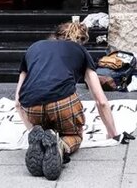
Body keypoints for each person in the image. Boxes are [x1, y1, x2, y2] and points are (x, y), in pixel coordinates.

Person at [15, 21, 121, 180]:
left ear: (55, 35)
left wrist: (31, 130)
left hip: (31, 106)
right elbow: (101, 101)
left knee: (44, 130)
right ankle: (60, 146)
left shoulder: (34, 48)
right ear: (81, 40)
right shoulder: (80, 50)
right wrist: (113, 134)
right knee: (74, 134)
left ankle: (38, 140)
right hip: (62, 102)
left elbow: (17, 102)